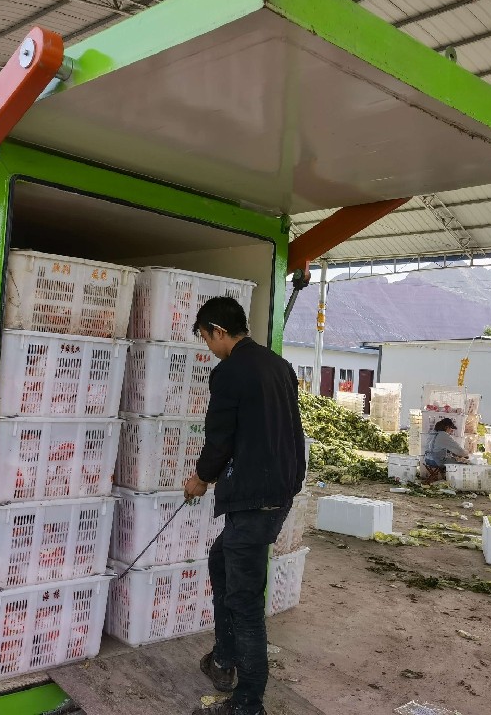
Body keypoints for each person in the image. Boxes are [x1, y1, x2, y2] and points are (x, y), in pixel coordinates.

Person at [182, 296, 306, 715]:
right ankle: (222, 658)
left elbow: (219, 439)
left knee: (245, 600)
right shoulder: (278, 366)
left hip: (254, 500)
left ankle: (249, 700)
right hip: (279, 492)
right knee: (221, 560)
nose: (208, 348)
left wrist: (200, 479)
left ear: (218, 330)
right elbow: (294, 431)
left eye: (206, 338)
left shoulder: (229, 373)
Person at [423, 417, 468, 483]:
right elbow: (459, 451)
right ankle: (458, 482)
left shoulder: (433, 433)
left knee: (451, 458)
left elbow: (436, 448)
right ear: (446, 427)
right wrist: (466, 454)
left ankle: (445, 478)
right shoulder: (443, 435)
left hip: (427, 459)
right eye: (450, 429)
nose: (451, 431)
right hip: (437, 461)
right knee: (463, 464)